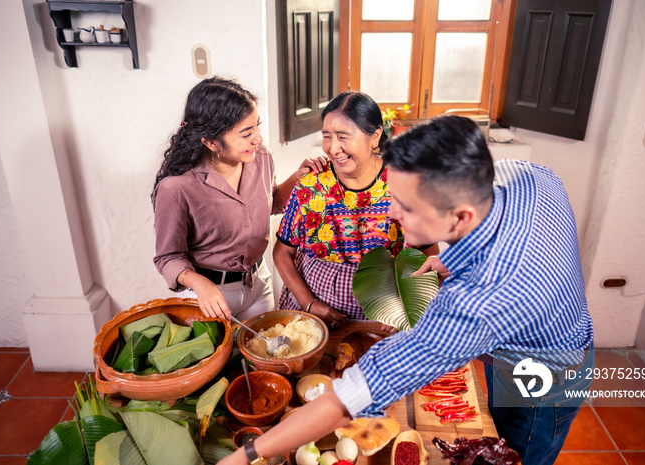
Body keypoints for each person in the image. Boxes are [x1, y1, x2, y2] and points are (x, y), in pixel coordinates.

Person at [216, 114, 594, 465]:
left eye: (406, 207)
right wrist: (455, 258)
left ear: (460, 216)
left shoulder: (482, 300)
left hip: (543, 380)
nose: (391, 213)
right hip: (544, 333)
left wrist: (247, 455)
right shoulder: (529, 176)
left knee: (518, 453)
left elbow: (353, 396)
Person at [152, 77, 326, 321]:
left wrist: (298, 178)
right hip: (209, 296)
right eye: (246, 133)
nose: (258, 139)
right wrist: (201, 285)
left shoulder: (261, 157)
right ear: (211, 142)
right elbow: (168, 257)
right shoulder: (176, 188)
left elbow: (271, 202)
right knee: (225, 360)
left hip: (258, 284)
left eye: (257, 126)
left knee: (264, 356)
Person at [273, 91, 438, 328]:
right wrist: (308, 303)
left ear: (375, 136)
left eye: (343, 136)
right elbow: (282, 252)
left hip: (384, 315)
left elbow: (429, 254)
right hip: (314, 314)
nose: (333, 148)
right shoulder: (311, 185)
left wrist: (407, 309)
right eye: (327, 136)